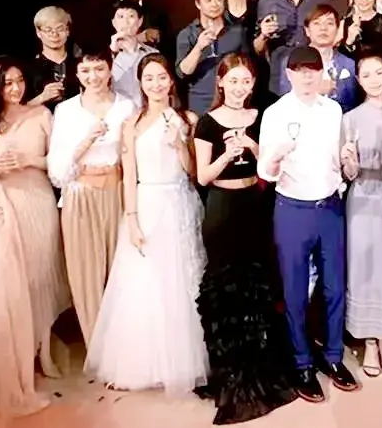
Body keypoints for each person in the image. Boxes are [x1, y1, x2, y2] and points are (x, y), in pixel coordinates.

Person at [85, 55, 209, 394]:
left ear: (171, 81)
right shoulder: (132, 123)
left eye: (162, 77)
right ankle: (142, 365)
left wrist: (179, 144)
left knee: (182, 281)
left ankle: (183, 363)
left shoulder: (187, 119)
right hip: (147, 204)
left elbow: (194, 172)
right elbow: (129, 176)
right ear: (141, 83)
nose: (156, 84)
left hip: (180, 202)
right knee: (144, 283)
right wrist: (132, 219)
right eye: (149, 78)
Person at [194, 53, 297, 424]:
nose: (240, 88)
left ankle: (262, 369)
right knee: (227, 290)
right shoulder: (207, 122)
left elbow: (269, 163)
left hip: (255, 204)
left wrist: (252, 148)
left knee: (258, 284)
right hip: (222, 209)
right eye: (233, 80)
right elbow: (202, 176)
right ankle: (231, 376)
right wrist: (227, 155)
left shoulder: (262, 116)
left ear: (253, 84)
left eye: (246, 81)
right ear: (221, 82)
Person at [0, 56, 70, 416]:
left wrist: (27, 161)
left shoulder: (41, 116)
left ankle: (44, 348)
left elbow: (56, 163)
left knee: (40, 278)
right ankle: (16, 355)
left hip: (37, 201)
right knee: (9, 284)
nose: (15, 88)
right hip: (0, 203)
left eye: (19, 81)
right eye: (7, 83)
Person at [258, 47, 359, 402]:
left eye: (313, 70)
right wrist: (275, 156)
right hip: (293, 210)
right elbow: (264, 171)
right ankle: (301, 362)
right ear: (288, 75)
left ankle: (333, 357)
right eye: (299, 71)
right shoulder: (275, 113)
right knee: (295, 291)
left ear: (321, 74)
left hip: (330, 207)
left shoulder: (333, 110)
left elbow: (342, 163)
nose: (306, 77)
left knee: (334, 287)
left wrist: (349, 162)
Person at [47, 51, 135, 345]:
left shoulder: (126, 106)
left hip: (117, 194)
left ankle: (123, 345)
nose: (93, 76)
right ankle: (97, 346)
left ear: (110, 70)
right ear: (77, 74)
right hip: (80, 196)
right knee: (86, 273)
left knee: (121, 271)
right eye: (85, 71)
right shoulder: (66, 111)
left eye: (99, 69)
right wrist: (86, 140)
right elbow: (57, 171)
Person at [341, 52, 382, 377]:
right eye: (366, 75)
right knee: (364, 266)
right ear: (358, 80)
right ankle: (369, 341)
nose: (374, 80)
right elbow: (348, 172)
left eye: (378, 72)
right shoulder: (350, 118)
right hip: (363, 198)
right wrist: (350, 162)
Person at [256, 0, 329, 96]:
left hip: (313, 73)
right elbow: (257, 48)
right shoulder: (267, 2)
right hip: (279, 78)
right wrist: (263, 35)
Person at [176, 0, 249, 115]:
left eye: (219, 0)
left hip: (231, 101)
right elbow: (183, 72)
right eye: (209, 0)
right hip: (200, 103)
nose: (215, 4)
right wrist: (199, 47)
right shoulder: (187, 34)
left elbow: (247, 67)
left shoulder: (237, 31)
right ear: (198, 4)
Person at [277, 5, 359, 112]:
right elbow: (284, 103)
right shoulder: (291, 62)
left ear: (338, 29)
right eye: (317, 23)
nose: (323, 28)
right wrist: (314, 91)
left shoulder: (349, 64)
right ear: (307, 30)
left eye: (329, 23)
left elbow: (353, 105)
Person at [28, 6, 81, 111]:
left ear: (67, 31)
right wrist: (41, 98)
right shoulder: (29, 69)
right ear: (38, 33)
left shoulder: (81, 64)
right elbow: (16, 111)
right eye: (48, 30)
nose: (55, 35)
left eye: (60, 29)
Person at [110, 0, 158, 107]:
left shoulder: (152, 54)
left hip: (146, 112)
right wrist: (112, 53)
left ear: (140, 21)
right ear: (113, 22)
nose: (126, 22)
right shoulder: (105, 56)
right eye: (121, 17)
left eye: (131, 16)